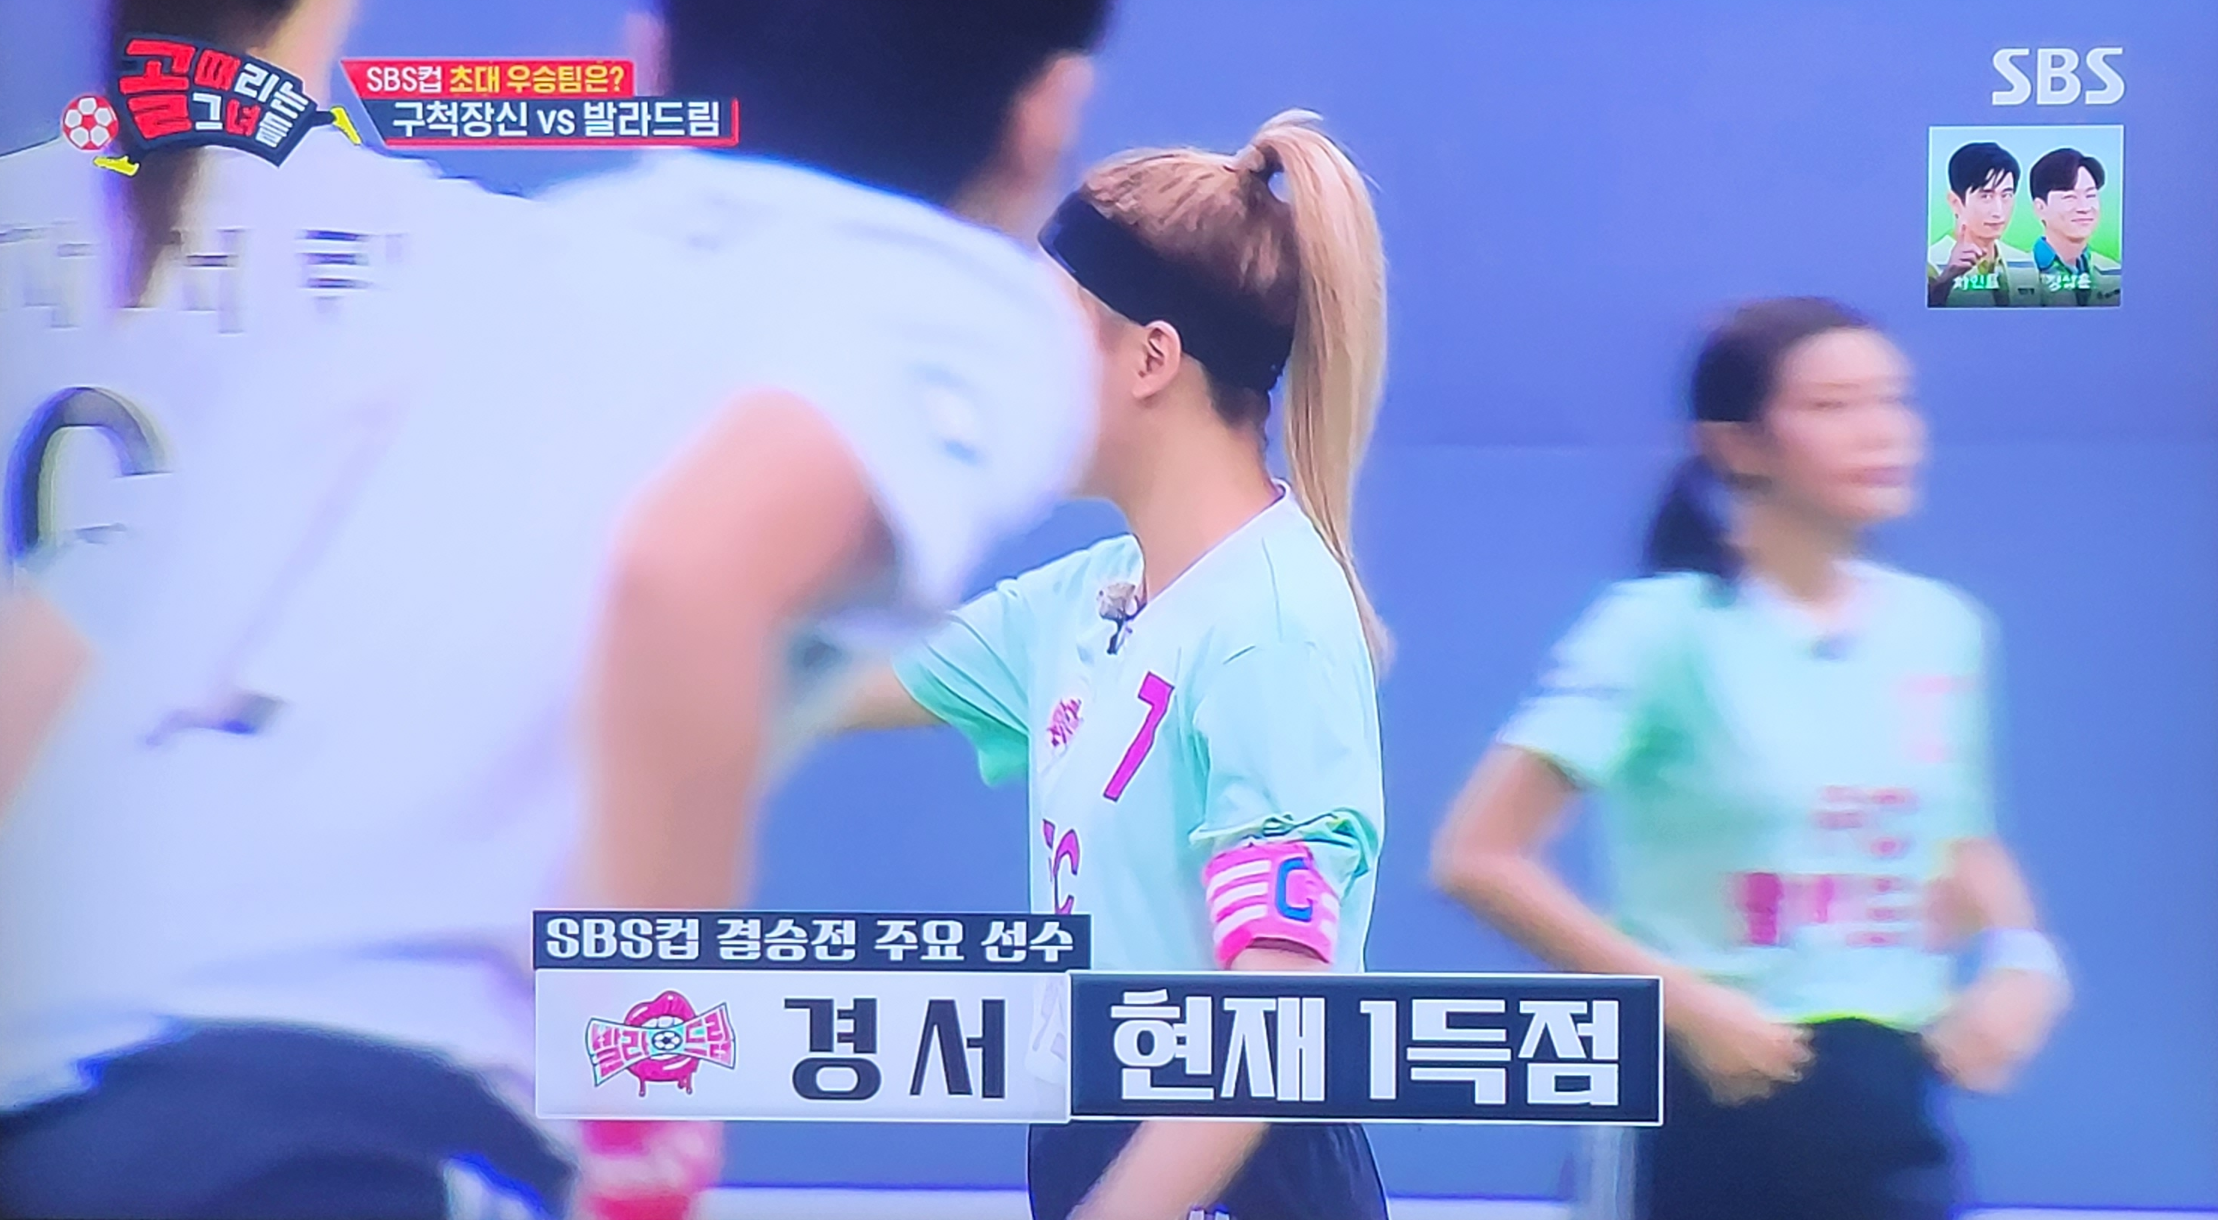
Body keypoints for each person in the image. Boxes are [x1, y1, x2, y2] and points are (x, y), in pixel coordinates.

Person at [0, 1, 1111, 1216]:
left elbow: (73, 636)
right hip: (341, 1122)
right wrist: (646, 1117)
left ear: (647, 57)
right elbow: (687, 573)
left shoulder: (451, 276)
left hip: (58, 1094)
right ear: (1046, 113)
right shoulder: (958, 300)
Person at [837, 111, 1392, 1220]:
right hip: (1091, 1138)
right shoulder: (1085, 600)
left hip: (1237, 1181)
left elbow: (1277, 1019)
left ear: (1151, 358)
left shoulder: (1271, 627)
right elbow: (792, 683)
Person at [1431, 298, 2070, 1219]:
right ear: (1737, 444)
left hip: (1890, 1109)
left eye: (1893, 399)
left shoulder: (1944, 630)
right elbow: (1478, 856)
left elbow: (1958, 839)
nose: (1881, 430)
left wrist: (2020, 956)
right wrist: (1684, 1004)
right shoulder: (1659, 632)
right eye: (1834, 405)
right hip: (1704, 1103)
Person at [1926, 142, 2037, 308]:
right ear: (1955, 202)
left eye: (2006, 195)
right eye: (1986, 196)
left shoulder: (2026, 262)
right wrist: (1946, 280)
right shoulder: (1931, 262)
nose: (1998, 211)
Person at [2027, 148, 2120, 308]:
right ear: (2040, 208)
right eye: (2069, 197)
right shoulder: (2016, 274)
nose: (2084, 208)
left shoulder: (2115, 273)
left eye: (2090, 195)